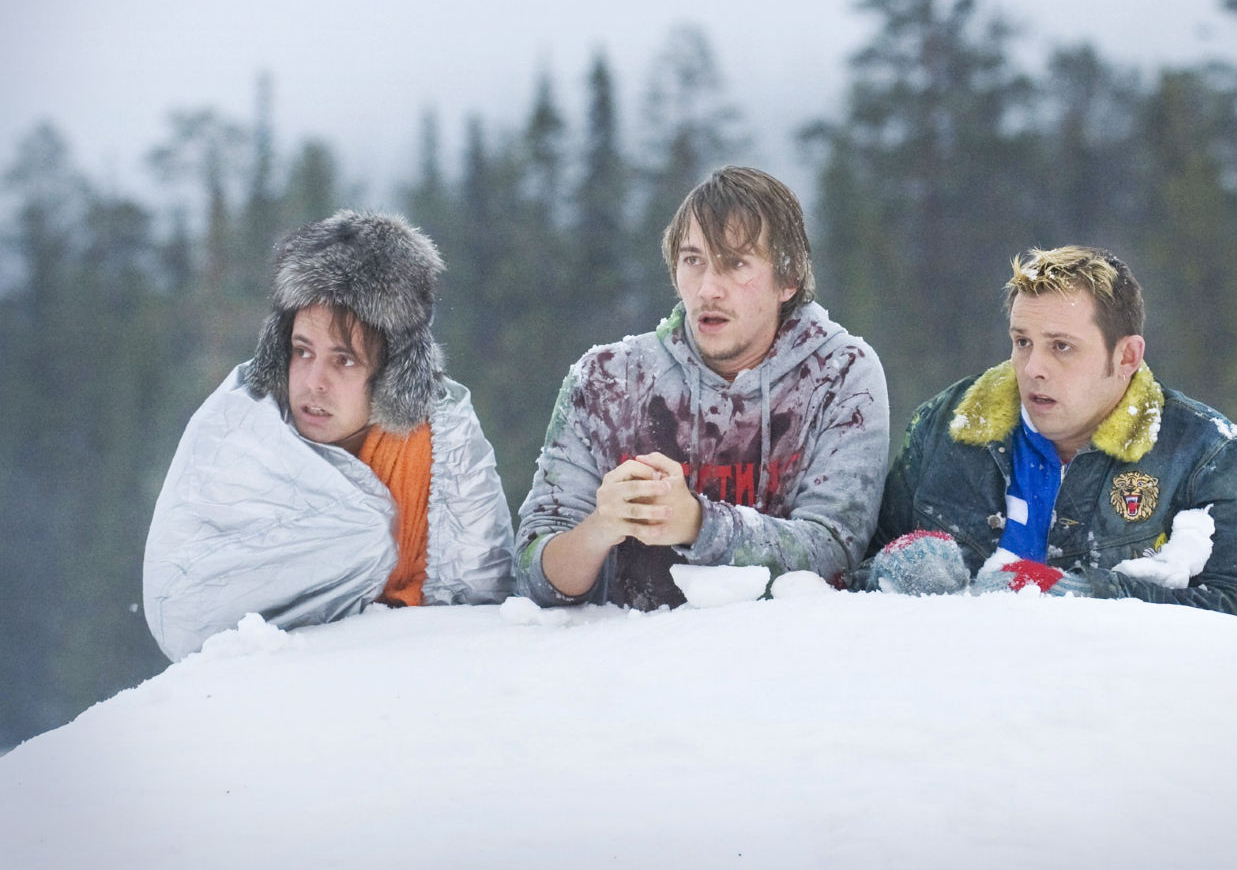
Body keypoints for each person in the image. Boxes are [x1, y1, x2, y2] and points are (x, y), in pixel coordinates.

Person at [514, 166, 890, 609]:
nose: (709, 288)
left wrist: (699, 524)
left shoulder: (841, 373)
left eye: (735, 264)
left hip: (788, 662)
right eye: (694, 261)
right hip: (626, 664)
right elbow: (530, 573)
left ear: (787, 279)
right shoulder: (606, 380)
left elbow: (836, 555)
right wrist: (600, 528)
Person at [144, 210, 514, 659]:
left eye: (344, 360)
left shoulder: (444, 448)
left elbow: (479, 610)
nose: (314, 381)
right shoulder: (243, 427)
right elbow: (184, 609)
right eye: (302, 351)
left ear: (391, 374)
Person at [866, 245, 1237, 622]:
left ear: (1126, 356)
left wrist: (1083, 596)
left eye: (1061, 346)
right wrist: (889, 576)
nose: (1032, 369)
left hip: (1112, 698)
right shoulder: (947, 426)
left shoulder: (1205, 453)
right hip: (958, 696)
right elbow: (850, 580)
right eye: (1022, 342)